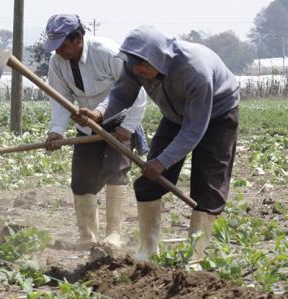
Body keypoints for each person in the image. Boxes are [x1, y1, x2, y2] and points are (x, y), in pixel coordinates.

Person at [76, 25, 240, 261]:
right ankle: (148, 251)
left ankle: (195, 257)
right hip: (174, 116)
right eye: (134, 65)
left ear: (158, 58)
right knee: (148, 182)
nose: (137, 71)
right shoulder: (135, 65)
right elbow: (121, 95)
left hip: (218, 115)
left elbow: (194, 129)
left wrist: (163, 162)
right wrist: (99, 114)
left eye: (142, 65)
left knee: (208, 188)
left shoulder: (195, 70)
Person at [42, 14, 148, 250]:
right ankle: (87, 236)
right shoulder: (57, 62)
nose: (58, 51)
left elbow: (135, 91)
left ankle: (114, 234)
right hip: (86, 125)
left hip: (119, 122)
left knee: (115, 172)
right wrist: (57, 131)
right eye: (55, 46)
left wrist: (128, 128)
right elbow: (59, 99)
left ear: (78, 38)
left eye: (63, 45)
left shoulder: (107, 53)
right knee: (81, 180)